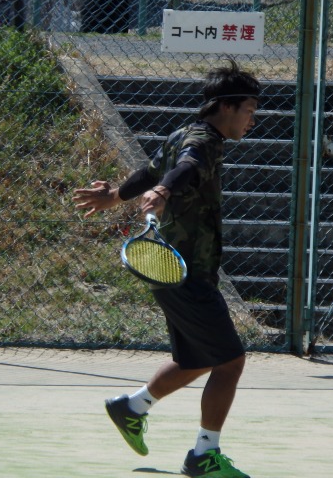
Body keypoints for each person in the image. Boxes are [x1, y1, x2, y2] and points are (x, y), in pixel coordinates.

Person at [72, 59, 260, 478]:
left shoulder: (182, 133)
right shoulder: (205, 141)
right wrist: (163, 189)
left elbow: (151, 170)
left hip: (170, 270)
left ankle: (132, 407)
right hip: (187, 272)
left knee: (196, 359)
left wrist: (116, 195)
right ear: (226, 106)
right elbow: (183, 169)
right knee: (230, 361)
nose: (252, 119)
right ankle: (204, 455)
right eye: (248, 109)